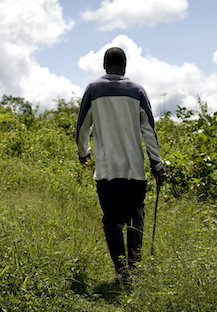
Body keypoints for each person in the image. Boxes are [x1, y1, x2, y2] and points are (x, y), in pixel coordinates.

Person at [76, 46, 167, 284]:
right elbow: (149, 131)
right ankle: (134, 272)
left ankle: (121, 272)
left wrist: (82, 152)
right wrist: (157, 165)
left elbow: (82, 126)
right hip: (135, 169)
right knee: (136, 215)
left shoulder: (93, 90)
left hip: (107, 171)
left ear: (105, 66)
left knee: (112, 219)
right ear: (125, 66)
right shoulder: (137, 91)